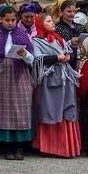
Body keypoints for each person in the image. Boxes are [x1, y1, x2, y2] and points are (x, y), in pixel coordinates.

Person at [0, 5, 35, 160]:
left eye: (13, 20)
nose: (10, 23)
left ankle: (19, 146)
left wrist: (25, 54)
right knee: (3, 108)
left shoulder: (22, 35)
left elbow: (32, 58)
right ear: (0, 19)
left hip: (19, 73)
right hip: (0, 73)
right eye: (7, 20)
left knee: (20, 107)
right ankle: (6, 146)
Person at [32, 14, 81, 158]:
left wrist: (67, 56)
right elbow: (36, 58)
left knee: (67, 108)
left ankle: (66, 146)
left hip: (65, 77)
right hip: (50, 78)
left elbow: (68, 53)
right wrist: (56, 58)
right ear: (40, 24)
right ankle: (52, 147)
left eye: (52, 20)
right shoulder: (37, 41)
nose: (52, 22)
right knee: (52, 109)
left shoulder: (58, 38)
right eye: (48, 21)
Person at [55, 0, 87, 71]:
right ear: (61, 12)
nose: (72, 14)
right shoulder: (57, 28)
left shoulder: (80, 27)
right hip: (66, 61)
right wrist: (70, 42)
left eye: (74, 11)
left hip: (81, 60)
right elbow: (56, 47)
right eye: (69, 11)